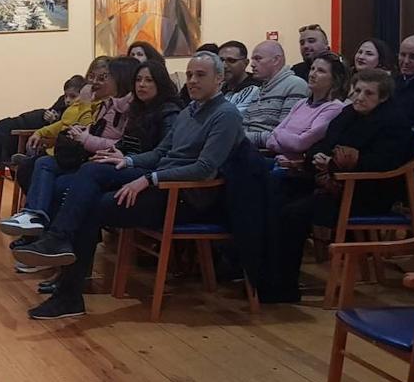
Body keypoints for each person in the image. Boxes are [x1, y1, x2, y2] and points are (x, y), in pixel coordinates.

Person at [14, 52, 244, 319]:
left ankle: (65, 282)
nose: (192, 80)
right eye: (190, 74)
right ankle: (59, 249)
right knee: (94, 169)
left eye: (200, 75)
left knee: (90, 206)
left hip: (184, 196)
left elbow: (205, 168)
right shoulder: (189, 111)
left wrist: (148, 179)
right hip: (160, 180)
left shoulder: (225, 115)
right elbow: (160, 152)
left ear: (219, 79)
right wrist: (127, 159)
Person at [272, 69, 414, 301]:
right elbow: (323, 144)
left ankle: (284, 287)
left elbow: (383, 164)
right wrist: (317, 158)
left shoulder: (394, 123)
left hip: (367, 194)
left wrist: (335, 166)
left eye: (368, 93)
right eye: (357, 90)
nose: (359, 97)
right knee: (277, 194)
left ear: (383, 98)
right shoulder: (347, 114)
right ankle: (266, 276)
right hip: (333, 183)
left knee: (292, 214)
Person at [0, 58, 137, 236]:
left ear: (118, 80)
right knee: (35, 166)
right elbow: (67, 122)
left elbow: (94, 132)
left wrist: (85, 111)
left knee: (46, 171)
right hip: (70, 152)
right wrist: (41, 132)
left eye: (103, 78)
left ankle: (45, 230)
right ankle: (35, 223)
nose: (94, 82)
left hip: (88, 158)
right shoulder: (94, 102)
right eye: (91, 76)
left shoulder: (104, 105)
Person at [0, 75, 85, 173]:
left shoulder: (82, 111)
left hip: (47, 135)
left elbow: (60, 126)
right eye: (66, 96)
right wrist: (49, 116)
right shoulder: (63, 101)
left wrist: (50, 123)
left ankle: (28, 159)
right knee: (5, 127)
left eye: (72, 96)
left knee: (7, 132)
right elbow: (53, 115)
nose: (67, 100)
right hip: (37, 121)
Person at [267, 53, 348, 162]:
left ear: (334, 79)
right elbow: (270, 140)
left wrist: (279, 135)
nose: (312, 74)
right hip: (278, 160)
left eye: (321, 71)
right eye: (312, 69)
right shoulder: (301, 103)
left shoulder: (334, 108)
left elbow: (300, 143)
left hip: (298, 170)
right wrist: (289, 147)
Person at [242, 40, 310, 148]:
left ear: (276, 60)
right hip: (249, 150)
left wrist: (242, 138)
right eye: (252, 59)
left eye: (258, 59)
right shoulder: (258, 91)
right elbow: (244, 126)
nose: (252, 64)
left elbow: (284, 135)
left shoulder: (295, 85)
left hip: (270, 155)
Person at [218, 40, 260, 116]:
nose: (224, 66)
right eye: (220, 60)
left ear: (246, 63)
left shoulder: (255, 89)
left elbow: (228, 118)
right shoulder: (220, 88)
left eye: (231, 60)